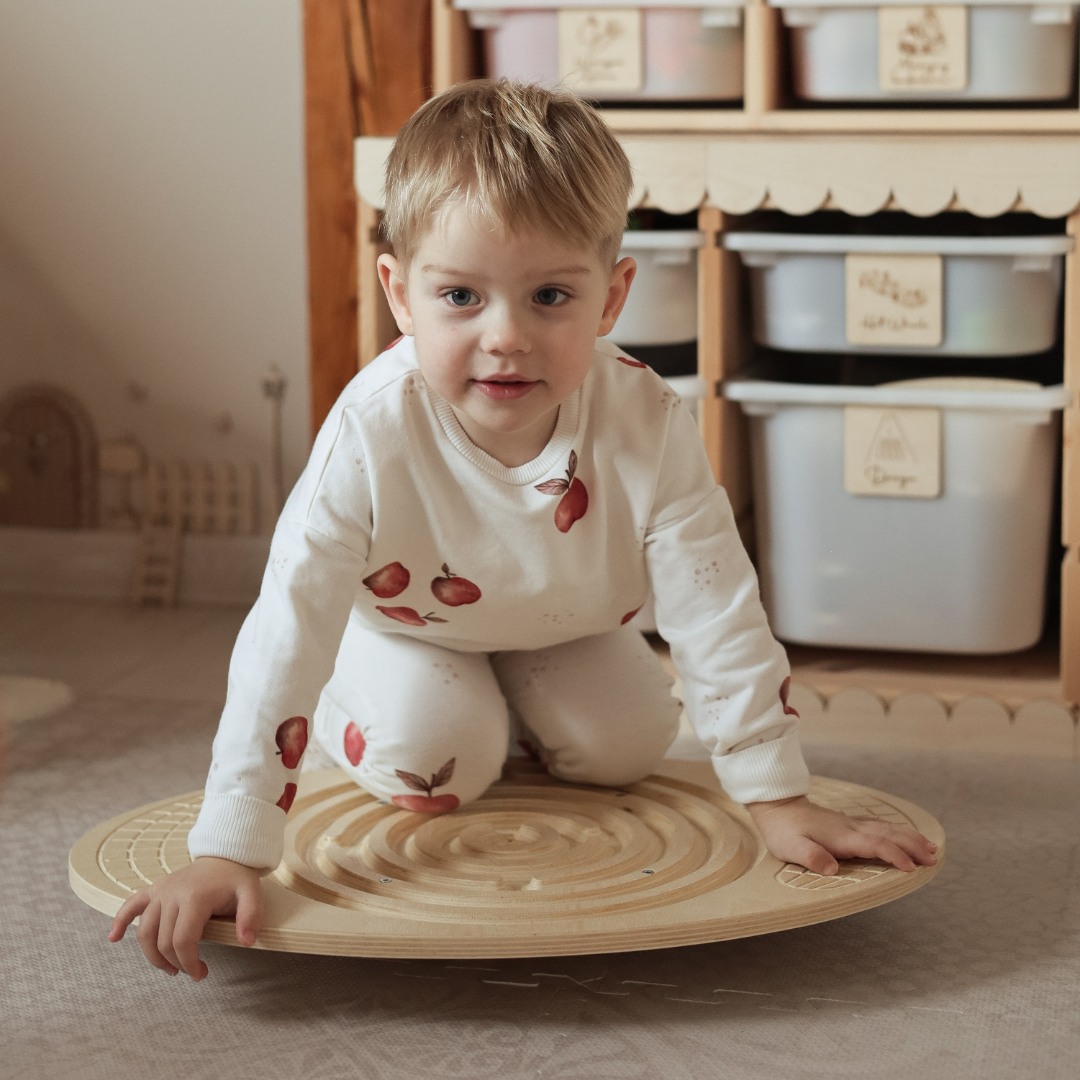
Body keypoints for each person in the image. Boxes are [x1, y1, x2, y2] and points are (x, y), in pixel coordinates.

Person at [109, 79, 936, 980]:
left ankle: (514, 709)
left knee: (627, 749)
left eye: (549, 296)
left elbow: (716, 606)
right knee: (439, 759)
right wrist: (232, 844)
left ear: (612, 299)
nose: (506, 337)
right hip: (402, 630)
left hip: (566, 628)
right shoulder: (371, 431)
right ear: (400, 292)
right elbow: (286, 626)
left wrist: (776, 796)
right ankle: (384, 697)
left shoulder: (646, 418)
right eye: (460, 297)